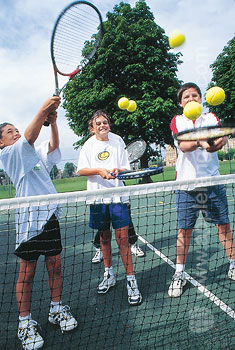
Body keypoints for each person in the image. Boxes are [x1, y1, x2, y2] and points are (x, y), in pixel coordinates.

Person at [0, 96, 77, 350]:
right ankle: (24, 322)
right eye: (9, 132)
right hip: (29, 221)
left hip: (49, 217)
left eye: (16, 130)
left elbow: (53, 148)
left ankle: (56, 309)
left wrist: (52, 121)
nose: (16, 133)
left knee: (55, 265)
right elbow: (29, 137)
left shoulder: (32, 150)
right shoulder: (10, 154)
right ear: (1, 142)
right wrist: (43, 109)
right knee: (27, 273)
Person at [168, 82, 235, 298]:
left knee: (223, 226)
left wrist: (215, 143)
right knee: (184, 231)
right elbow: (184, 145)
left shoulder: (211, 117)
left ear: (201, 98)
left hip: (212, 182)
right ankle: (179, 274)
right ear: (180, 103)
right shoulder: (177, 121)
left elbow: (221, 138)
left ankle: (233, 263)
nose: (191, 99)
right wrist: (201, 141)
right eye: (186, 97)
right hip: (187, 185)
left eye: (195, 95)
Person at [77, 110, 142, 305]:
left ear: (109, 125)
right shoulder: (87, 145)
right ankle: (109, 274)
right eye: (98, 123)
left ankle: (131, 281)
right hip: (97, 199)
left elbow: (126, 168)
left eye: (105, 122)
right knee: (104, 238)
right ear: (92, 127)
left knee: (123, 239)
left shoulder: (117, 140)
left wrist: (117, 170)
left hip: (117, 198)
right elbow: (81, 170)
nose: (102, 125)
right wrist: (99, 171)